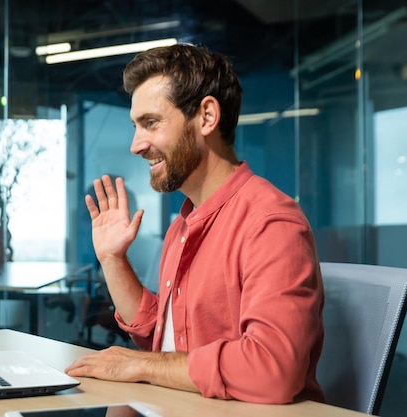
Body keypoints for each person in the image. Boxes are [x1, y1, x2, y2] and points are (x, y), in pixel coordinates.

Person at [65, 43, 326, 405]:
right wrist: (112, 260)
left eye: (150, 123)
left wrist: (142, 366)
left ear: (206, 117)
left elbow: (272, 371)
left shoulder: (270, 222)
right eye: (135, 126)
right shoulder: (185, 222)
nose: (136, 145)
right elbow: (168, 340)